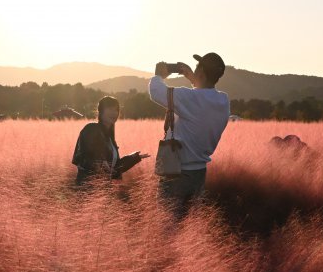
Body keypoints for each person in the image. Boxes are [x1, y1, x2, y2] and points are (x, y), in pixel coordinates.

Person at [149, 52, 231, 209]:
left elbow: (156, 92)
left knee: (168, 225)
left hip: (177, 173)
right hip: (199, 173)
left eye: (197, 67)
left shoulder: (190, 98)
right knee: (188, 227)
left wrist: (159, 75)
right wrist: (193, 79)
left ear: (200, 71)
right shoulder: (223, 100)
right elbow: (204, 95)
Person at [71, 96, 150, 185]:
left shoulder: (110, 138)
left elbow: (115, 169)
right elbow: (82, 157)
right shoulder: (91, 129)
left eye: (116, 110)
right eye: (110, 109)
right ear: (100, 111)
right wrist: (100, 164)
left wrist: (134, 158)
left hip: (104, 190)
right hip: (87, 187)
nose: (114, 113)